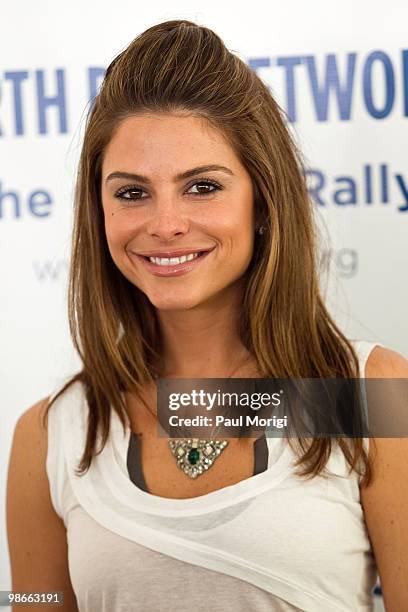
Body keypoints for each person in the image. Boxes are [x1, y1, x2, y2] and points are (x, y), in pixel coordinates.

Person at [6, 19, 408, 612]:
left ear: (263, 199)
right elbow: (34, 602)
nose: (165, 223)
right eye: (132, 192)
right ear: (99, 211)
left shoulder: (369, 393)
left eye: (201, 187)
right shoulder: (51, 435)